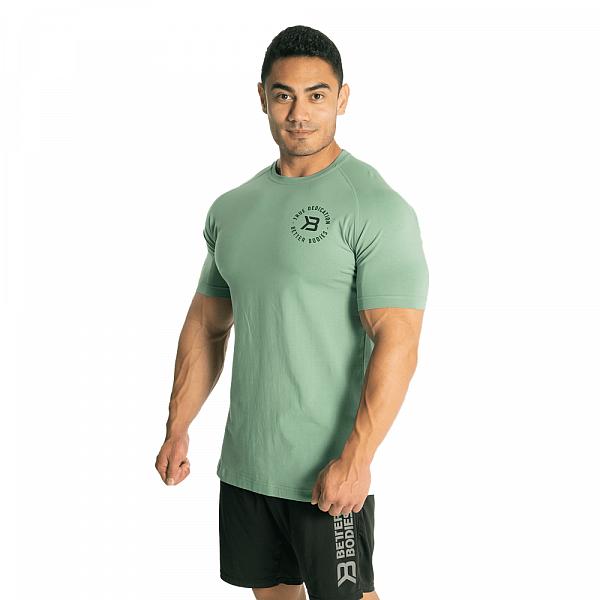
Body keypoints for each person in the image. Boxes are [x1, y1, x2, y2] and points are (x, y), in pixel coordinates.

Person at [155, 25, 429, 600]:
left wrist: (357, 458)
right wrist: (178, 427)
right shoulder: (233, 208)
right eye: (284, 95)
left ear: (342, 99)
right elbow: (207, 325)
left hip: (329, 471)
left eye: (317, 95)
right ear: (262, 97)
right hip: (247, 468)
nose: (299, 113)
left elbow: (398, 340)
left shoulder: (375, 207)